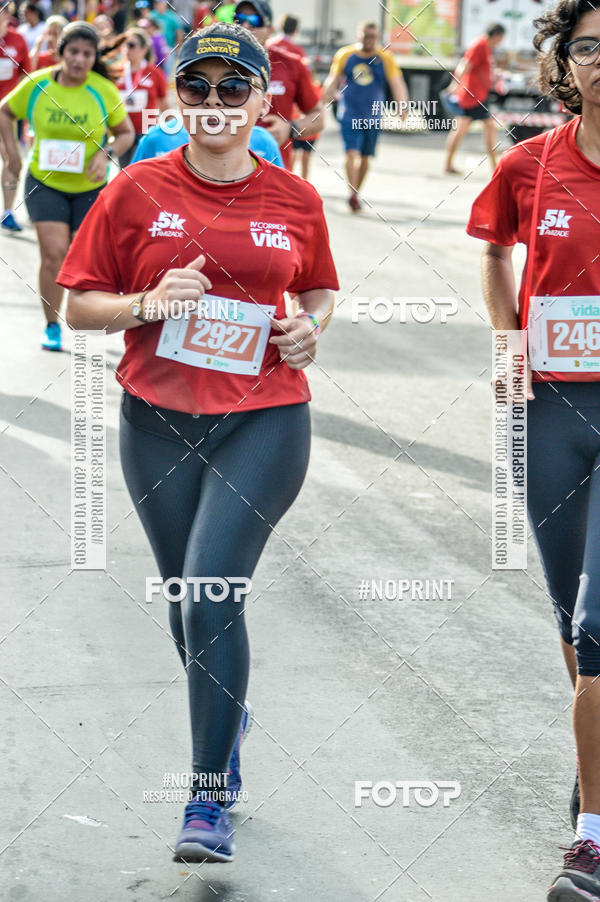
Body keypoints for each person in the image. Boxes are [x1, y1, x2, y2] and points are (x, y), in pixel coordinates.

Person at [59, 21, 338, 863]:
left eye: (231, 88)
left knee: (211, 594)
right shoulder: (136, 189)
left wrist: (308, 331)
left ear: (262, 99)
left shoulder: (295, 197)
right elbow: (78, 305)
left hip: (265, 417)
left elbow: (320, 288)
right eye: (196, 88)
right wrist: (146, 303)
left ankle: (207, 798)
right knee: (189, 604)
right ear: (176, 99)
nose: (213, 104)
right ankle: (230, 715)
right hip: (157, 420)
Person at [467, 2, 600, 898]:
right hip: (551, 405)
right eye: (592, 47)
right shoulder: (529, 162)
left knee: (599, 625)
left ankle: (591, 836)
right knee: (567, 610)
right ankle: (594, 758)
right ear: (566, 63)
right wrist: (506, 334)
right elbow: (493, 251)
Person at [0, 21, 134, 351]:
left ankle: (84, 321)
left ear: (93, 57)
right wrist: (12, 156)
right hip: (45, 183)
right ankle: (51, 325)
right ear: (61, 52)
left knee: (82, 258)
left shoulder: (103, 90)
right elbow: (5, 112)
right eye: (73, 52)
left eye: (87, 54)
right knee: (53, 253)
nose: (79, 60)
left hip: (90, 187)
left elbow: (126, 132)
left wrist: (106, 154)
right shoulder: (38, 84)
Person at [321, 21, 409, 212]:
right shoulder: (345, 55)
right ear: (358, 35)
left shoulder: (385, 58)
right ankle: (352, 193)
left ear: (377, 38)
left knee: (365, 157)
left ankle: (355, 192)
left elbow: (397, 83)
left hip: (373, 116)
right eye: (365, 36)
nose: (368, 40)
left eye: (372, 37)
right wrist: (323, 99)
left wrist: (402, 106)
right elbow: (333, 79)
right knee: (351, 153)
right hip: (349, 113)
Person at [234, 0, 324, 169]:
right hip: (222, 177)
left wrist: (290, 129)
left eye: (254, 20)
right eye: (239, 19)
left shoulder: (291, 64)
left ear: (270, 29)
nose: (245, 25)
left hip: (273, 173)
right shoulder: (217, 64)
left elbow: (318, 117)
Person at [444, 22, 505, 174]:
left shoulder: (485, 46)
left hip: (479, 95)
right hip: (472, 96)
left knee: (481, 127)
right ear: (497, 35)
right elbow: (464, 65)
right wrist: (454, 85)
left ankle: (493, 166)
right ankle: (494, 167)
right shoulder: (480, 45)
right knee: (468, 128)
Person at [131, 118, 284, 166]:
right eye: (195, 86)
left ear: (264, 102)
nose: (213, 99)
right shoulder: (157, 137)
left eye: (233, 88)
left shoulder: (263, 142)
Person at [115, 26, 167, 165]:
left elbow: (164, 103)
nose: (126, 49)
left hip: (147, 132)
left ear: (144, 49)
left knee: (143, 172)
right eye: (124, 45)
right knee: (125, 173)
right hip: (123, 132)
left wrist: (171, 129)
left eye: (131, 45)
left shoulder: (154, 72)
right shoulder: (115, 72)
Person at [0, 4, 29, 231]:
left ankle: (7, 212)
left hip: (7, 112)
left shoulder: (18, 39)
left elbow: (27, 73)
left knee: (13, 160)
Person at [150, 0, 184, 73]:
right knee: (153, 70)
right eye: (156, 3)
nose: (158, 5)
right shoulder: (151, 15)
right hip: (154, 49)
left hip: (169, 49)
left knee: (167, 73)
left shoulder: (172, 16)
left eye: (160, 3)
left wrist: (177, 47)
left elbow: (179, 32)